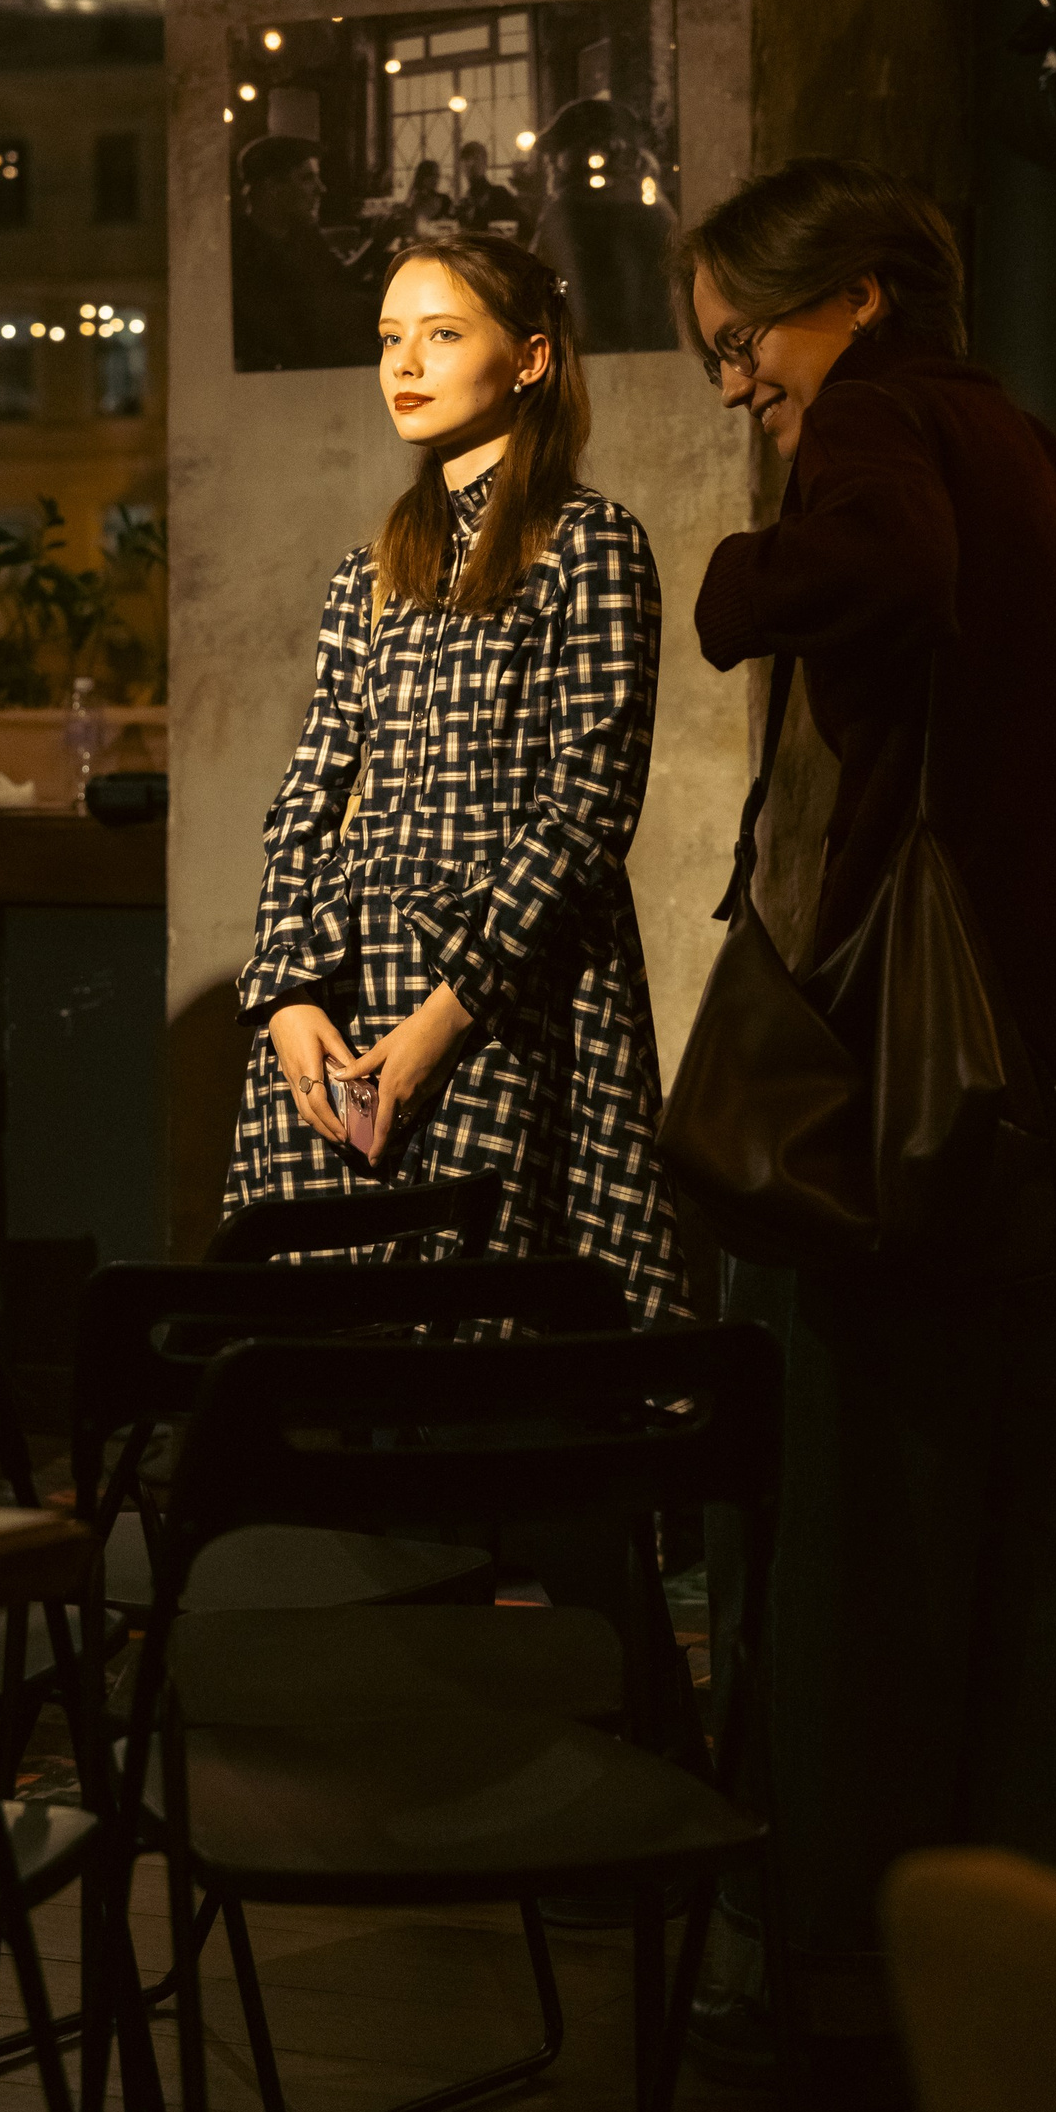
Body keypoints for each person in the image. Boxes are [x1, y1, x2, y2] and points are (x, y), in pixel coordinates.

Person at [671, 158, 1056, 2076]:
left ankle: (855, 2000)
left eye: (742, 343)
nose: (737, 387)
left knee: (868, 1564)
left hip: (915, 1102)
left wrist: (732, 587)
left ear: (848, 298)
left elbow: (886, 570)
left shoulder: (887, 422)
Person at [227, 229, 684, 1322]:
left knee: (488, 1328)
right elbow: (306, 798)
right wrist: (286, 991)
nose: (405, 363)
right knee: (321, 1336)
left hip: (502, 999)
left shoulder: (590, 547)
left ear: (529, 357)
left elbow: (586, 812)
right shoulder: (371, 572)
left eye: (440, 334)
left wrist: (448, 1015)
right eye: (391, 337)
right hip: (346, 993)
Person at [533, 97, 674, 351]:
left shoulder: (564, 212)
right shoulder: (653, 209)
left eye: (555, 153)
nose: (550, 163)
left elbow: (550, 289)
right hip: (647, 350)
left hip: (597, 352)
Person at [230, 134, 377, 373]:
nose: (321, 189)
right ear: (273, 187)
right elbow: (289, 339)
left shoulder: (303, 234)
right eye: (307, 178)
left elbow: (339, 281)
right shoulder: (241, 250)